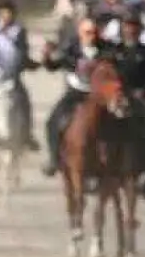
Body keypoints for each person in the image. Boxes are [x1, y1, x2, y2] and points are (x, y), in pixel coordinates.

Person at [38, 16, 113, 177]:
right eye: (87, 33)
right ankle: (54, 158)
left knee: (119, 119)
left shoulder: (106, 49)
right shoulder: (71, 48)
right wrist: (46, 57)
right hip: (76, 92)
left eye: (93, 33)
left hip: (99, 95)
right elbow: (54, 65)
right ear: (80, 33)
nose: (90, 36)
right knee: (52, 121)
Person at [112, 11, 145, 201]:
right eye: (127, 26)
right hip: (118, 98)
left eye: (134, 26)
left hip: (142, 99)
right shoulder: (114, 51)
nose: (130, 30)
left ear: (139, 30)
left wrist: (144, 91)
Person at [0, 0, 38, 152]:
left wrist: (19, 67)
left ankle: (27, 135)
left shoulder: (19, 32)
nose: (6, 16)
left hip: (13, 77)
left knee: (24, 101)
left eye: (9, 13)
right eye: (3, 13)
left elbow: (22, 53)